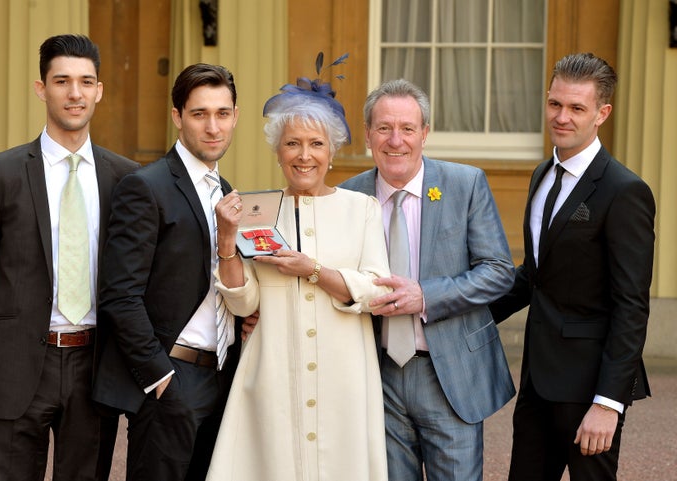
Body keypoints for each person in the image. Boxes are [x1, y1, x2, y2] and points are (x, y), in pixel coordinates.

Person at [0, 34, 138, 481]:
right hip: (15, 364)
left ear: (99, 89)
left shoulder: (127, 179)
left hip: (95, 366)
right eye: (62, 81)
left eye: (85, 82)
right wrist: (15, 324)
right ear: (41, 88)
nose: (74, 93)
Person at [205, 61, 391, 481]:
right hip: (272, 376)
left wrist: (314, 269)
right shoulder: (257, 210)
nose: (304, 156)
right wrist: (227, 243)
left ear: (332, 150)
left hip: (343, 377)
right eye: (292, 144)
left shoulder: (361, 209)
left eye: (315, 144)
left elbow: (377, 292)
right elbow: (243, 303)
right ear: (277, 151)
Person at [489, 52, 655, 481]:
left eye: (576, 108)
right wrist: (460, 315)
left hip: (589, 393)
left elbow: (631, 306)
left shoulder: (625, 191)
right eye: (555, 104)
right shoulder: (543, 174)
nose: (562, 117)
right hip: (537, 382)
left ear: (602, 113)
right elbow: (534, 276)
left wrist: (607, 404)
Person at [340, 79, 516, 481]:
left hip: (450, 375)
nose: (395, 140)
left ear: (425, 133)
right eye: (384, 128)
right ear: (368, 135)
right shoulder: (349, 196)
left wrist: (425, 296)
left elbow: (498, 271)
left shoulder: (464, 184)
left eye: (407, 128)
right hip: (377, 376)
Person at [91, 63, 242, 481]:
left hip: (220, 377)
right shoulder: (146, 186)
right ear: (177, 117)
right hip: (172, 379)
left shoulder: (226, 191)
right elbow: (119, 295)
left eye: (222, 113)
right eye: (199, 114)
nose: (213, 127)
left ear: (235, 116)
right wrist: (160, 377)